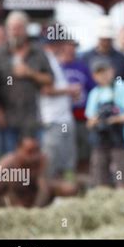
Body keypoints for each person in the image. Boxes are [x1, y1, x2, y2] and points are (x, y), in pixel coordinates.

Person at [0, 11, 53, 154]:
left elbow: (50, 79)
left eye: (18, 28)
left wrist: (30, 73)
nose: (15, 32)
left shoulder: (38, 52)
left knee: (31, 162)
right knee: (8, 162)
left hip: (31, 120)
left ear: (25, 29)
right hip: (6, 119)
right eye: (12, 28)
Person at [85, 58, 124, 188]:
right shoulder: (94, 93)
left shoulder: (122, 87)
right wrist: (98, 121)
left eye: (105, 71)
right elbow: (89, 123)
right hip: (101, 141)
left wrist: (115, 119)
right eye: (99, 73)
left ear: (112, 71)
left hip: (119, 141)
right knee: (99, 177)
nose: (103, 76)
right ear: (94, 76)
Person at [0, 136, 78, 207]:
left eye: (36, 151)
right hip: (12, 199)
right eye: (30, 152)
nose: (34, 156)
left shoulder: (40, 161)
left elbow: (44, 189)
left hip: (34, 198)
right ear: (18, 150)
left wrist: (35, 210)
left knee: (69, 188)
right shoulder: (7, 163)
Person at [39, 37, 79, 180]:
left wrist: (69, 93)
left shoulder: (55, 61)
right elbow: (45, 90)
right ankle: (50, 195)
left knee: (67, 162)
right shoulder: (45, 60)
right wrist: (69, 90)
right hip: (52, 119)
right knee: (51, 161)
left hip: (64, 118)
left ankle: (65, 193)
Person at [59, 39, 95, 172]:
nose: (70, 50)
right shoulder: (56, 66)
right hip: (62, 116)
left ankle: (84, 178)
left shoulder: (82, 66)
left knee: (84, 148)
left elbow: (92, 88)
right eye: (67, 46)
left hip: (81, 115)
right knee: (66, 150)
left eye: (73, 47)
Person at [82, 16, 124, 85]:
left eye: (108, 39)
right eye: (103, 39)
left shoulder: (120, 58)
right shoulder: (86, 58)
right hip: (93, 94)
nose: (106, 42)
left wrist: (121, 90)